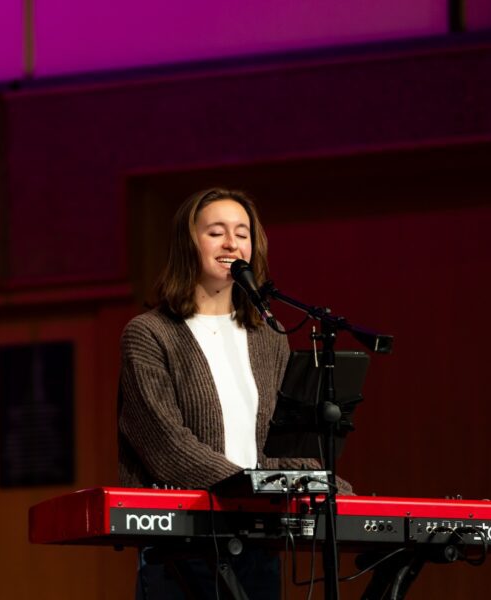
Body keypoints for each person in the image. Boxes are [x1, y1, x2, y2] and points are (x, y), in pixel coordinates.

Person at [117, 188, 351, 599]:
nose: (231, 243)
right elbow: (165, 445)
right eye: (216, 232)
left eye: (242, 233)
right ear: (187, 243)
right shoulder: (150, 333)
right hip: (183, 545)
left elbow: (278, 444)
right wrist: (250, 485)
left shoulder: (270, 337)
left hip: (259, 540)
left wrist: (321, 482)